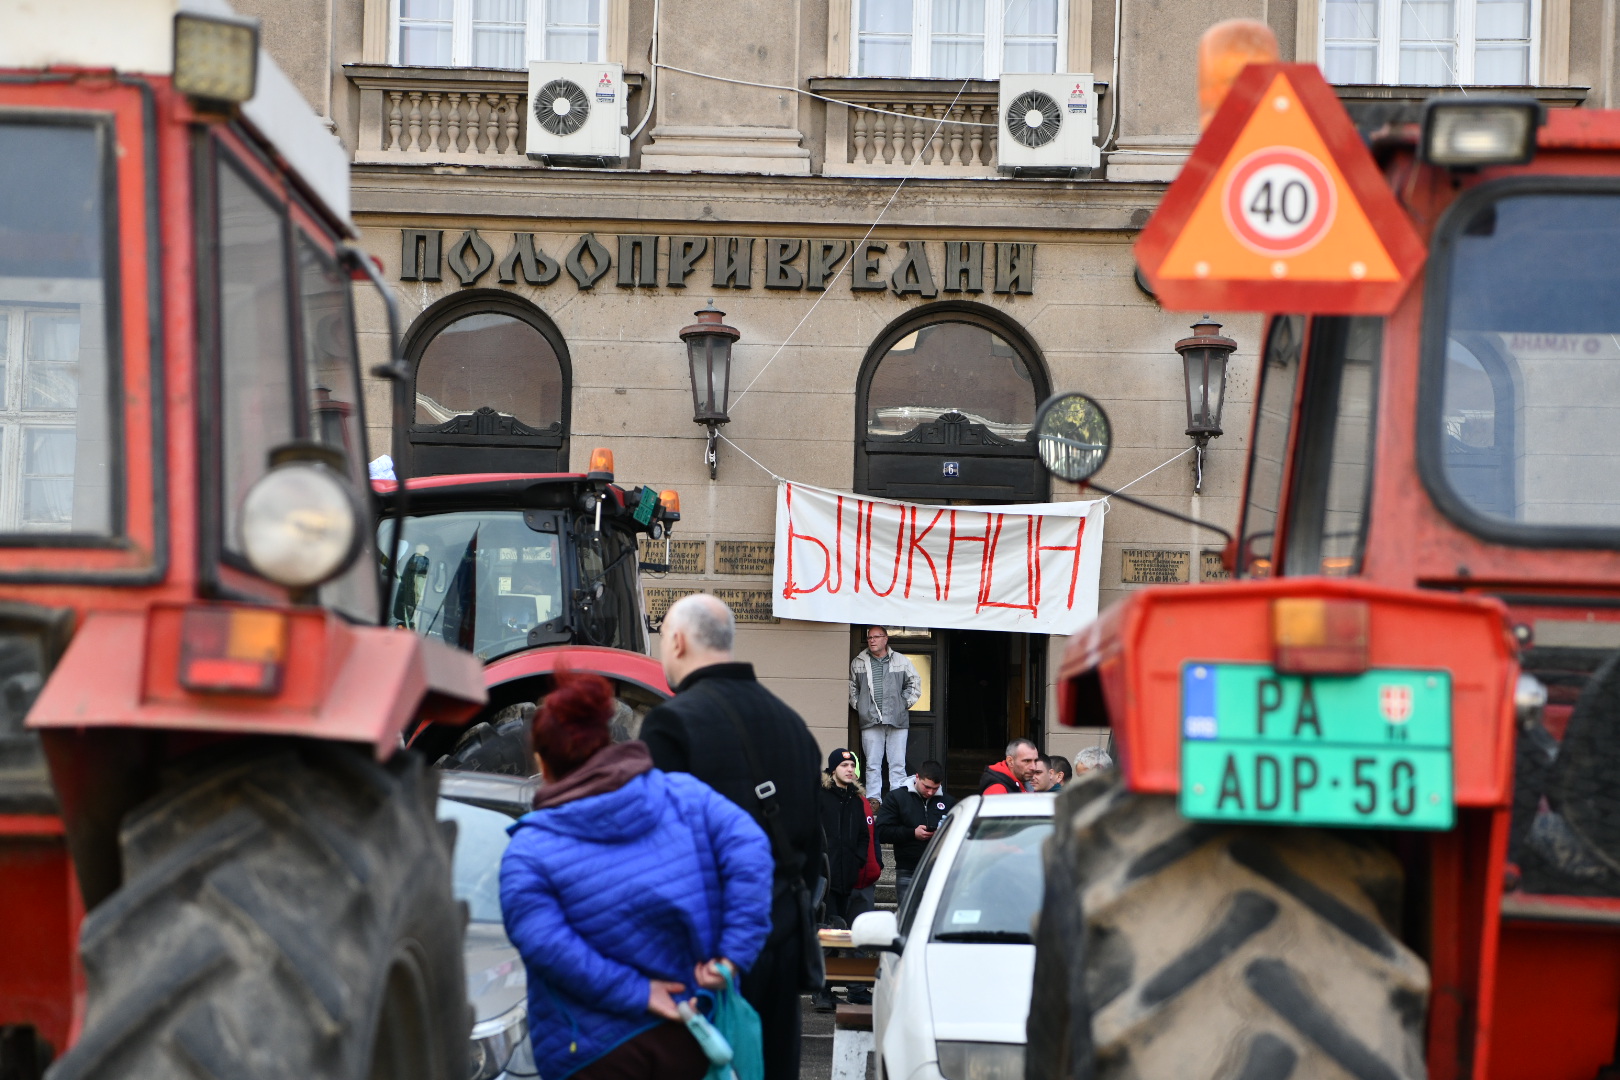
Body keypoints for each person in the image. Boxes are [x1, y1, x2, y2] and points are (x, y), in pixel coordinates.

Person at [501, 671, 774, 1080]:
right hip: (689, 1032)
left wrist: (638, 992)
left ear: (541, 761)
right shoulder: (687, 796)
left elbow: (547, 946)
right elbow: (752, 851)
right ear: (604, 742)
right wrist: (733, 955)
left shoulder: (527, 848)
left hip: (589, 1052)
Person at [640, 594, 823, 1080]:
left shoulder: (671, 723)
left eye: (662, 640)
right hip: (782, 940)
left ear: (677, 641)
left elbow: (658, 852)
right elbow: (812, 851)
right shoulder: (795, 727)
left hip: (703, 956)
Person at [814, 748, 875, 1011]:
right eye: (844, 765)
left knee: (843, 937)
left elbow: (863, 836)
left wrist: (857, 860)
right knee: (827, 938)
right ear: (833, 770)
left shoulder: (855, 799)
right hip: (824, 881)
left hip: (847, 879)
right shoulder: (820, 797)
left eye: (852, 765)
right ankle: (821, 993)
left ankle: (842, 990)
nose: (850, 769)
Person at [849, 626, 922, 800]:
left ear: (885, 639)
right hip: (870, 720)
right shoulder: (858, 662)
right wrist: (861, 706)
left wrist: (902, 704)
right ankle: (874, 800)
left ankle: (897, 801)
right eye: (869, 638)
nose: (872, 640)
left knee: (897, 765)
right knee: (872, 765)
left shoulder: (901, 661)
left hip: (897, 720)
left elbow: (915, 684)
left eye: (876, 637)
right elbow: (852, 688)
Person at [875, 759, 954, 908]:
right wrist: (912, 833)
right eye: (927, 787)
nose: (930, 792)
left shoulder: (948, 802)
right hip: (908, 868)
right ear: (917, 777)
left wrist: (942, 834)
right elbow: (882, 831)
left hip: (939, 868)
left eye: (935, 788)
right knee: (908, 916)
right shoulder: (897, 798)